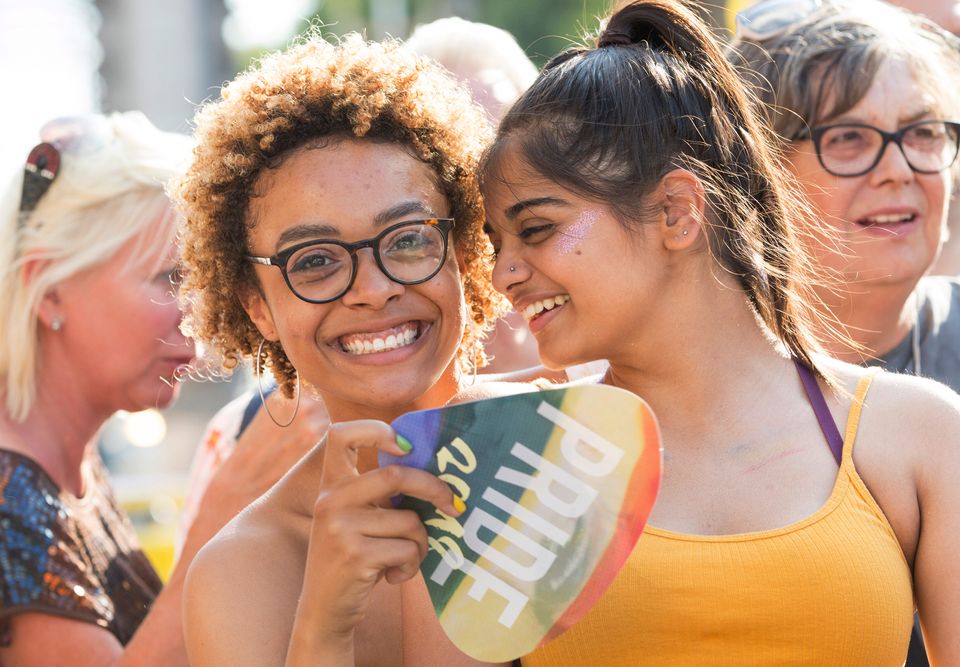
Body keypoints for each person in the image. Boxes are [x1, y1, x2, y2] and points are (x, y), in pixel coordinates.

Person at [476, 0, 960, 664]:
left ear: (677, 211)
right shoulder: (500, 453)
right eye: (496, 241)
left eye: (536, 229)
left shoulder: (918, 434)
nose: (504, 273)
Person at [175, 33, 508, 666]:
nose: (375, 289)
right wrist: (323, 627)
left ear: (464, 252)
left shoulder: (568, 450)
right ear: (257, 307)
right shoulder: (244, 572)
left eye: (408, 239)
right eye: (317, 261)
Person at [0, 112, 269, 666]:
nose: (197, 314)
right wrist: (228, 508)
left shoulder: (69, 463)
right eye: (170, 278)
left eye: (200, 281)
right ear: (47, 290)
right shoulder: (9, 498)